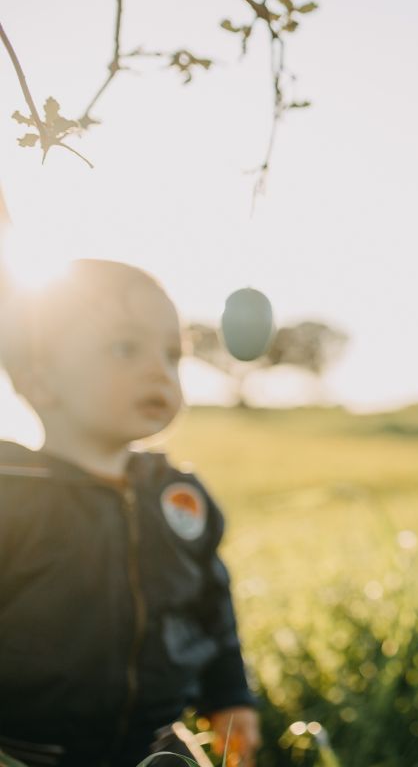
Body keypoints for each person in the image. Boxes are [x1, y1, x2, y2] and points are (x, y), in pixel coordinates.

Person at [0, 260, 261, 767]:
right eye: (125, 348)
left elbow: (212, 605)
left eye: (172, 355)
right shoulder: (14, 493)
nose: (159, 370)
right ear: (40, 380)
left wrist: (229, 695)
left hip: (156, 743)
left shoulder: (179, 496)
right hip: (26, 747)